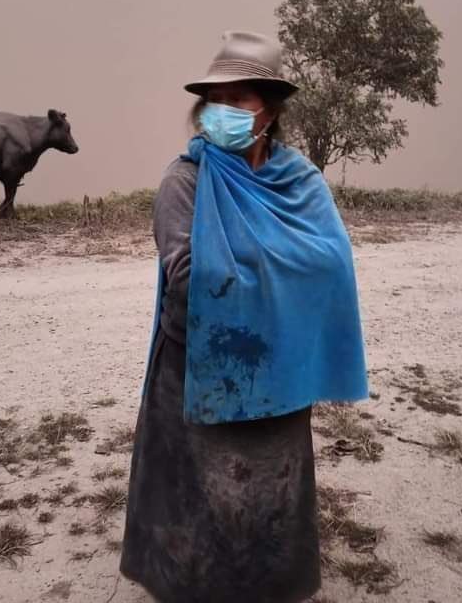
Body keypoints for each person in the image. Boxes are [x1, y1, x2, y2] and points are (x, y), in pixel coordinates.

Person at [120, 30, 369, 603]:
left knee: (269, 497)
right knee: (198, 497)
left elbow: (329, 262)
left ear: (271, 109)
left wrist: (252, 275)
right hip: (195, 363)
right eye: (215, 101)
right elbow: (188, 274)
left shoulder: (299, 180)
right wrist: (277, 283)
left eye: (239, 100)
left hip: (279, 372)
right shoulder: (185, 180)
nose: (223, 112)